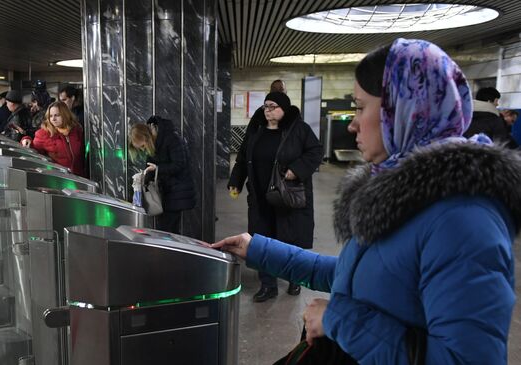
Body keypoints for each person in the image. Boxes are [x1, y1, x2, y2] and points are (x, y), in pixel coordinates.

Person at [212, 38, 519, 364]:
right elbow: (357, 274)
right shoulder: (400, 196)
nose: (353, 123)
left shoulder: (464, 223)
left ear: (404, 110)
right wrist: (259, 249)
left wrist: (340, 321)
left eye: (360, 107)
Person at [228, 91, 323, 302]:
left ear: (284, 109)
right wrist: (236, 180)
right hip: (261, 197)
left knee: (289, 240)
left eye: (273, 106)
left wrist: (297, 169)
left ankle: (294, 278)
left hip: (287, 196)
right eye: (265, 106)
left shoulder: (299, 129)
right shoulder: (256, 130)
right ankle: (268, 285)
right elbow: (243, 157)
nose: (268, 110)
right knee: (262, 241)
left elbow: (316, 151)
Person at [128, 116, 196, 234]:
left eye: (143, 146)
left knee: (169, 230)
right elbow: (150, 167)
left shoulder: (171, 138)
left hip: (176, 191)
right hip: (164, 192)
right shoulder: (155, 142)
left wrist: (158, 168)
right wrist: (143, 176)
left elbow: (180, 164)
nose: (144, 150)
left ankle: (171, 252)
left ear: (147, 137)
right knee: (165, 230)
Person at [24, 101, 85, 176]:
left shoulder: (76, 130)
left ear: (65, 115)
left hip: (80, 177)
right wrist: (26, 139)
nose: (53, 119)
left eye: (57, 115)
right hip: (58, 179)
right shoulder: (44, 133)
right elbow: (34, 149)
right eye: (51, 116)